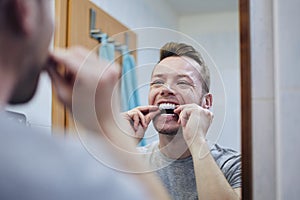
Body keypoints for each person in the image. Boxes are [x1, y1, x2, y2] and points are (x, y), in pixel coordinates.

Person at [0, 0, 169, 199]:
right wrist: (108, 123)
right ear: (24, 9)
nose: (167, 90)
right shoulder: (55, 170)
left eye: (183, 82)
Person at [123, 42, 242, 199]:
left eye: (182, 82)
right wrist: (119, 145)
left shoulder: (233, 166)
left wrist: (197, 140)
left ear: (206, 103)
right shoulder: (131, 161)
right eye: (158, 82)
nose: (165, 89)